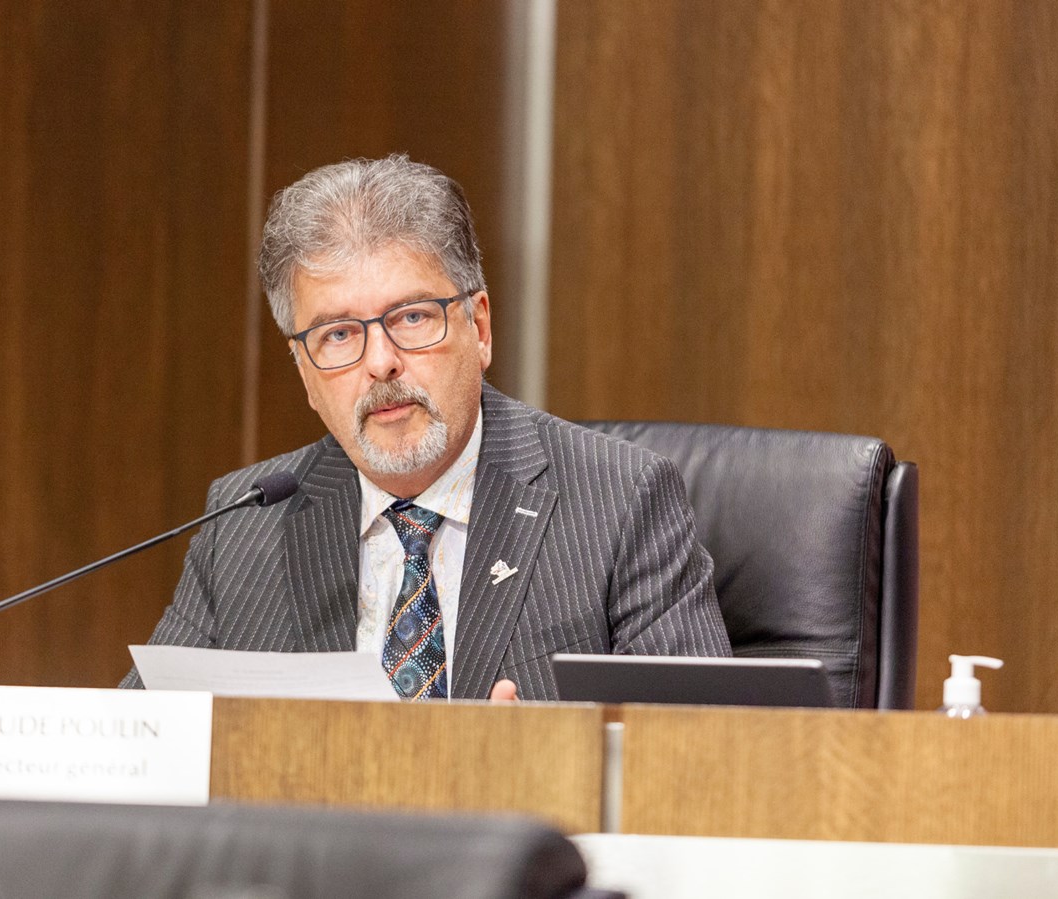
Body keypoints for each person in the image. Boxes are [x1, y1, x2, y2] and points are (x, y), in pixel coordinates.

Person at [122, 155, 729, 700]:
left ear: (480, 327)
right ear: (305, 374)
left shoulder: (621, 500)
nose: (380, 362)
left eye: (412, 317)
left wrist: (547, 766)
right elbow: (140, 750)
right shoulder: (243, 524)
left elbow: (702, 758)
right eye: (337, 334)